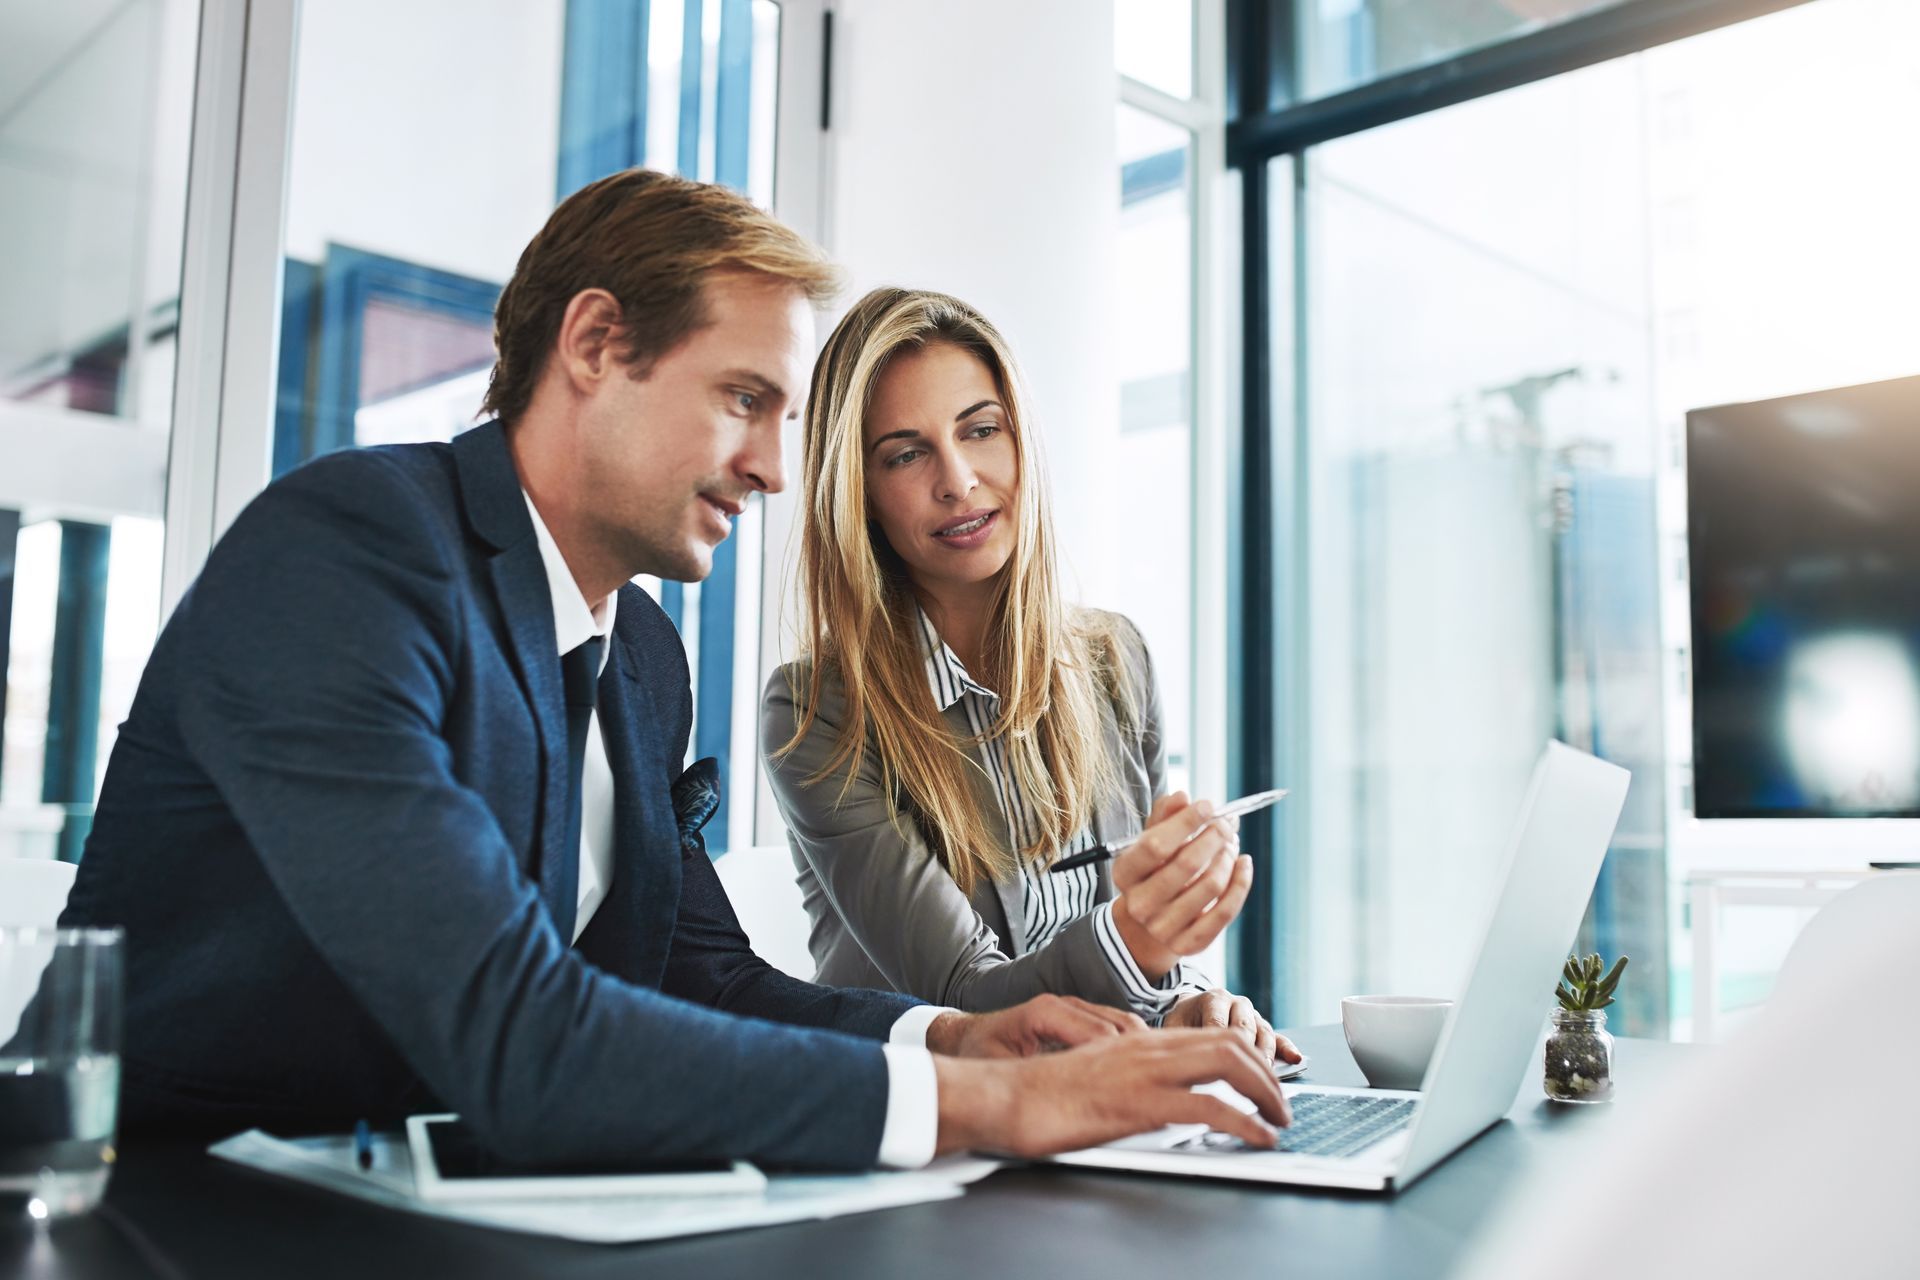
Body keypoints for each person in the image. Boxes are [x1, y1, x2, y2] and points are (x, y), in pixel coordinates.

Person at [59, 171, 1288, 1170]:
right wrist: (985, 1108)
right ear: (594, 343)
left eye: (784, 420)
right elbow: (514, 1024)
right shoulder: (353, 550)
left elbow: (704, 974)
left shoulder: (640, 656)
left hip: (446, 1200)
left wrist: (962, 1037)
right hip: (168, 1205)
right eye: (743, 400)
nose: (769, 467)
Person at [761, 287, 1294, 1064]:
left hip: (1106, 1106)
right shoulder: (816, 711)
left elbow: (1138, 971)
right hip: (947, 1130)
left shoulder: (1117, 660)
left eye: (981, 431)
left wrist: (1188, 1000)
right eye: (906, 454)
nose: (959, 481)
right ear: (861, 495)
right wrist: (1138, 941)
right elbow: (970, 1006)